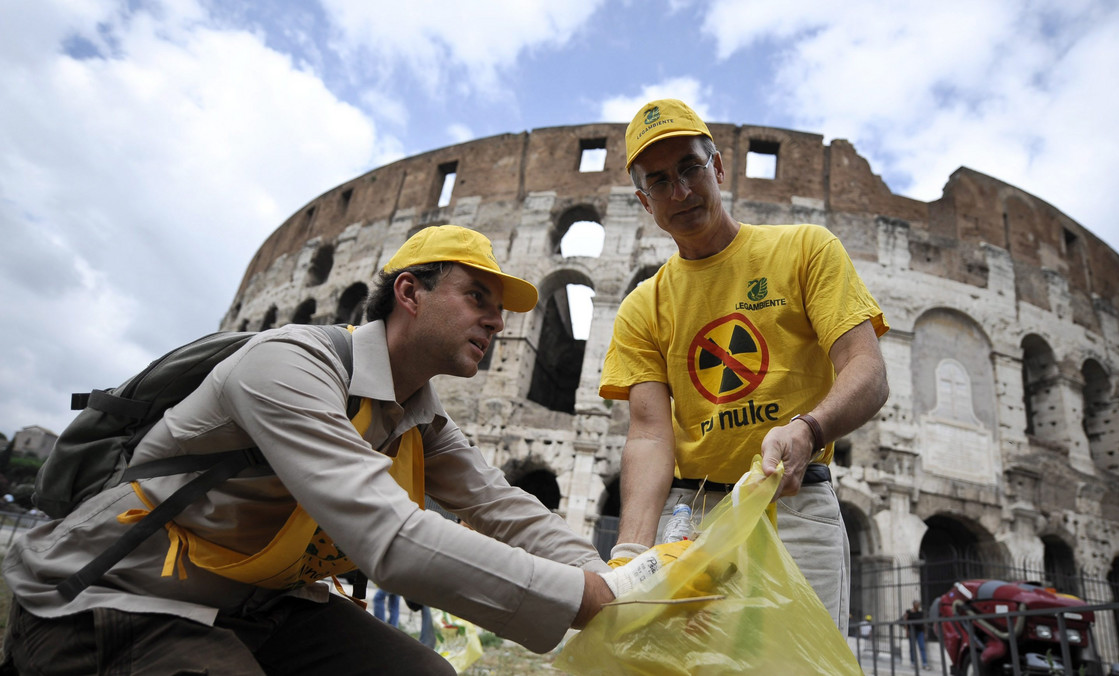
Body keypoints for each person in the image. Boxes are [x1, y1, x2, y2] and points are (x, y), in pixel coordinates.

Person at [2, 225, 664, 675]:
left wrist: (623, 588)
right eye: (476, 298)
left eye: (499, 307)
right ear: (410, 292)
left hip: (252, 604)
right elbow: (391, 538)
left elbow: (506, 509)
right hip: (110, 602)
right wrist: (585, 598)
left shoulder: (419, 419)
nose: (496, 320)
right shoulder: (289, 365)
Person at [599, 99, 890, 636]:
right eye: (659, 182)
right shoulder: (643, 306)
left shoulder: (805, 249)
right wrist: (630, 555)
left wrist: (808, 428)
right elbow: (647, 435)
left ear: (718, 168)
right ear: (644, 201)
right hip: (690, 518)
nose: (681, 192)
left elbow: (866, 369)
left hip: (794, 499)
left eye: (690, 167)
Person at [905, 599, 930, 669]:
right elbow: (906, 622)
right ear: (914, 605)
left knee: (922, 647)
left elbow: (924, 623)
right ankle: (913, 662)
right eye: (917, 605)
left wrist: (925, 633)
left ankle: (924, 663)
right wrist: (907, 631)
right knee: (912, 647)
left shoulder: (920, 613)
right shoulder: (909, 612)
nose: (918, 606)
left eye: (919, 605)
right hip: (912, 631)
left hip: (920, 631)